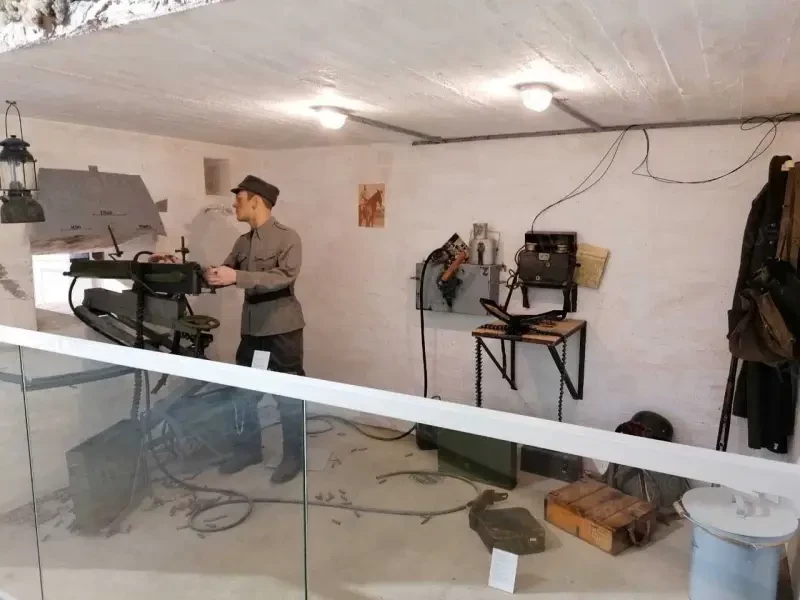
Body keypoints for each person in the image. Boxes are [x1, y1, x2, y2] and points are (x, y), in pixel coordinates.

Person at [205, 175, 305, 483]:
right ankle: (248, 450)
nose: (234, 205)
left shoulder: (288, 238)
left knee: (288, 395)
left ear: (256, 201)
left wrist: (238, 277)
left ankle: (294, 457)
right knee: (244, 393)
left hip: (282, 328)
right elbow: (223, 273)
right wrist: (200, 272)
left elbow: (284, 277)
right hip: (252, 331)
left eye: (239, 199)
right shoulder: (242, 242)